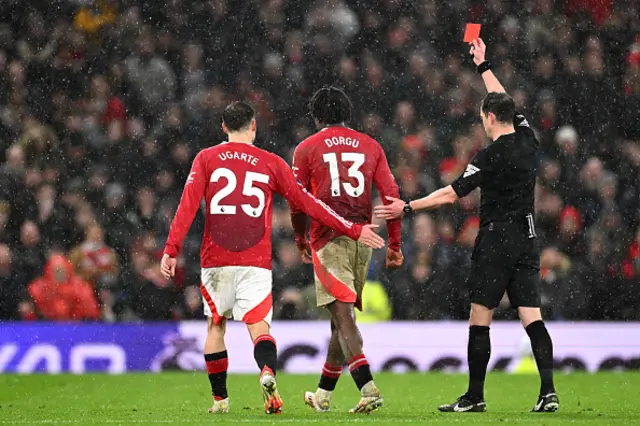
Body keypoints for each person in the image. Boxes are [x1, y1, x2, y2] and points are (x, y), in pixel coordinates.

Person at [160, 101, 384, 415]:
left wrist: (171, 250)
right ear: (254, 126)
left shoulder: (206, 158)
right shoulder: (270, 162)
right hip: (256, 260)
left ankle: (220, 400)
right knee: (259, 328)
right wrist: (351, 228)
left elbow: (186, 207)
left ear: (224, 127)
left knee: (216, 326)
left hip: (216, 259)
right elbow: (307, 203)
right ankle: (266, 371)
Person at [375, 39, 559, 413]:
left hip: (495, 240)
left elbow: (449, 195)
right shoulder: (528, 140)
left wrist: (408, 206)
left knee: (481, 318)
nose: (481, 118)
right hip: (527, 237)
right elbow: (504, 101)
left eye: (482, 114)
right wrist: (483, 65)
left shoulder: (488, 157)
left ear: (489, 118)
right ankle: (548, 392)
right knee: (531, 317)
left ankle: (475, 396)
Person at [291, 86, 403, 414]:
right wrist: (394, 244)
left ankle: (368, 388)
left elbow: (298, 203)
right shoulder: (371, 146)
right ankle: (323, 395)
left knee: (343, 317)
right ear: (347, 114)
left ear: (317, 117)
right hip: (362, 240)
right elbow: (392, 195)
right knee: (338, 322)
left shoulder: (307, 148)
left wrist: (300, 239)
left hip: (328, 239)